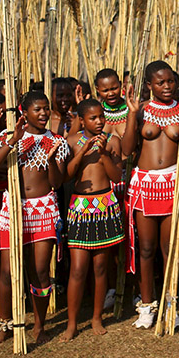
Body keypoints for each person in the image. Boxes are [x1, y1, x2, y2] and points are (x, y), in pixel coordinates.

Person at [0, 90, 69, 344]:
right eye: (38, 109)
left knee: (41, 271)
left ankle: (39, 326)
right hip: (14, 208)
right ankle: (4, 323)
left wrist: (53, 159)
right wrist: (14, 140)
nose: (44, 113)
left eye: (46, 109)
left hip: (44, 209)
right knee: (8, 271)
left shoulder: (57, 140)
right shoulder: (9, 136)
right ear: (25, 112)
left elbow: (57, 182)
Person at [121, 61, 179, 329]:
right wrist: (131, 115)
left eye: (171, 81)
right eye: (160, 82)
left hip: (173, 182)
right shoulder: (141, 111)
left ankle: (170, 304)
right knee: (146, 248)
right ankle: (146, 305)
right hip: (145, 184)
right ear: (149, 86)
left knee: (169, 249)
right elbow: (127, 149)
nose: (167, 87)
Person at [60, 99, 124, 341]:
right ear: (82, 119)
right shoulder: (71, 142)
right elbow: (66, 176)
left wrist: (104, 153)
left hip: (105, 205)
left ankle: (97, 317)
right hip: (80, 207)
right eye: (93, 118)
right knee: (77, 269)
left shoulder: (112, 141)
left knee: (100, 267)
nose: (99, 122)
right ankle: (72, 322)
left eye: (101, 117)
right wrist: (83, 151)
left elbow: (117, 174)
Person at [94, 68, 128, 140]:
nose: (111, 93)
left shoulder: (132, 110)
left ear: (120, 84)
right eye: (105, 90)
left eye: (114, 88)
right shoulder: (96, 113)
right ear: (98, 89)